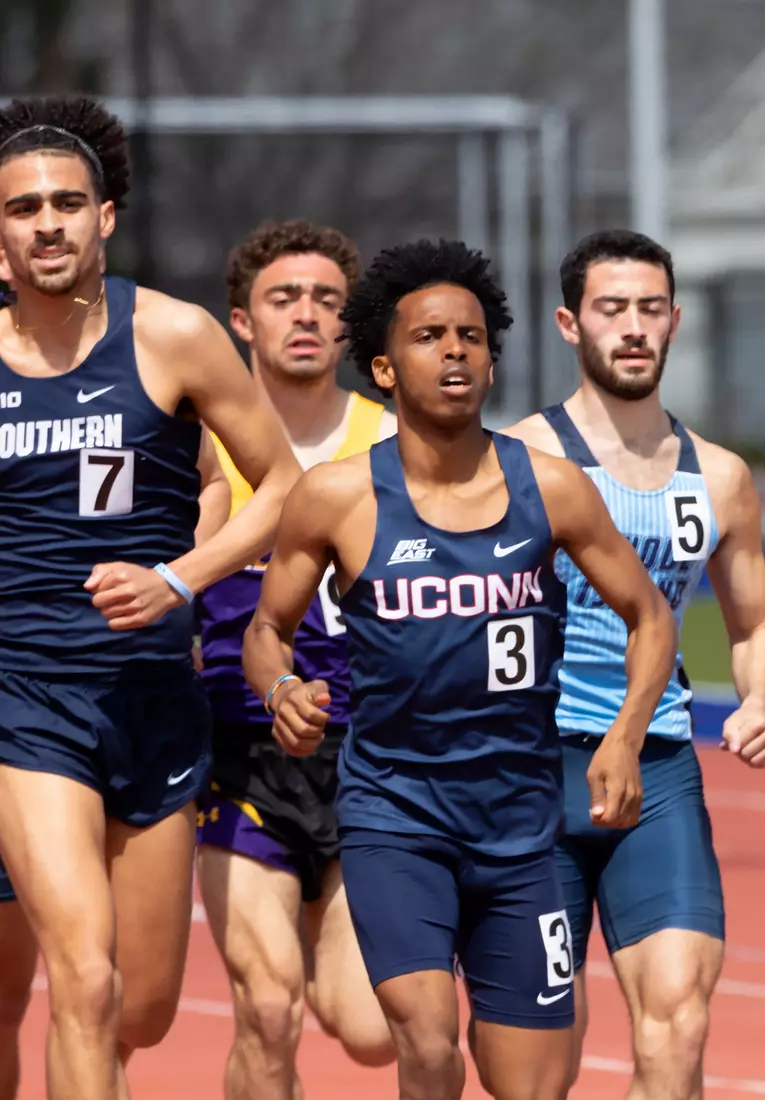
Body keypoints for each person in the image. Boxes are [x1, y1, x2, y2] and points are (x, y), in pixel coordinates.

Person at [242, 238, 678, 1100]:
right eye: (430, 336)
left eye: (471, 337)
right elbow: (268, 627)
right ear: (383, 366)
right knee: (429, 1043)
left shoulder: (551, 488)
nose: (454, 352)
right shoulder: (338, 496)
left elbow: (650, 614)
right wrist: (282, 688)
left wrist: (625, 736)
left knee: (534, 1087)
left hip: (522, 830)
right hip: (394, 815)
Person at [0, 95, 301, 1100]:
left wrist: (181, 576)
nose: (48, 222)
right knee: (78, 978)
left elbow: (286, 483)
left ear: (105, 218)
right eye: (24, 207)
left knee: (140, 1005)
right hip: (22, 697)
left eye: (67, 203)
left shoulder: (174, 336)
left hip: (151, 693)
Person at [501, 227, 765, 1097]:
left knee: (679, 1021)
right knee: (537, 1064)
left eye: (650, 309)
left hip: (657, 771)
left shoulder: (723, 477)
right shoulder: (519, 457)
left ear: (675, 320)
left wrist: (759, 699)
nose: (633, 326)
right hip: (530, 772)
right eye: (611, 309)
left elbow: (753, 623)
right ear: (568, 323)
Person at [194, 218, 402, 1098]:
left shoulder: (397, 442)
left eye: (327, 301)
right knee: (267, 1006)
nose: (307, 316)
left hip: (369, 757)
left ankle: (327, 931)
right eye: (285, 299)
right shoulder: (196, 443)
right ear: (242, 320)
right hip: (237, 757)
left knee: (374, 1032)